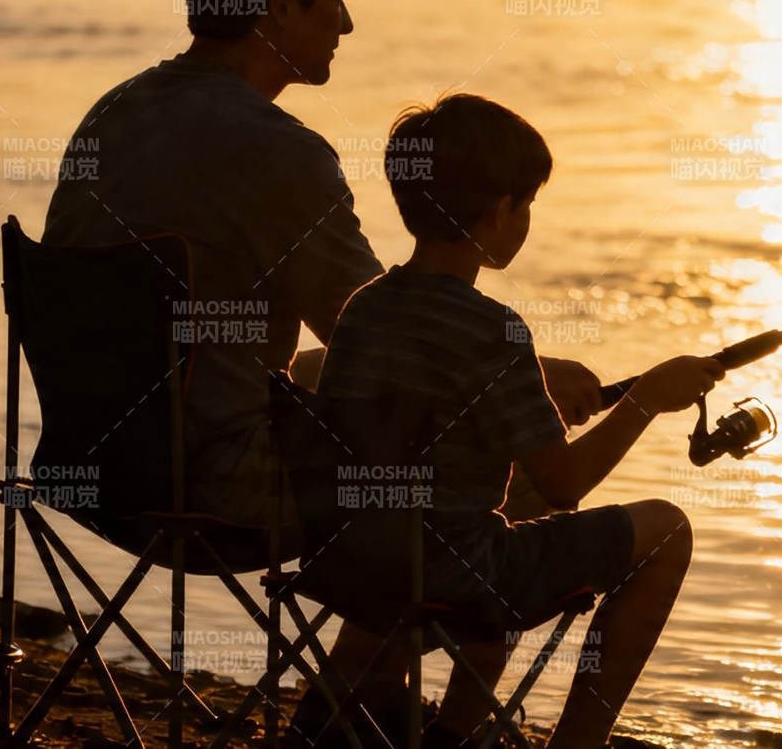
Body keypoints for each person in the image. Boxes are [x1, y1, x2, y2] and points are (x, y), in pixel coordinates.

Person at [39, 0, 604, 551]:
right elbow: (379, 333)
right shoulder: (280, 152)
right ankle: (367, 657)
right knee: (485, 452)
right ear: (279, 6)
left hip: (91, 469)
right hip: (220, 489)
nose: (347, 23)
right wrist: (528, 379)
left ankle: (360, 657)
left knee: (324, 378)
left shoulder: (112, 112)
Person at [309, 94, 722, 747]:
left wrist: (520, 415)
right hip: (453, 577)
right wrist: (645, 398)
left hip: (347, 563)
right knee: (667, 532)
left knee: (501, 527)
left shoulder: (363, 311)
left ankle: (453, 734)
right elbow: (564, 486)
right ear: (501, 211)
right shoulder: (495, 333)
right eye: (526, 204)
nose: (527, 218)